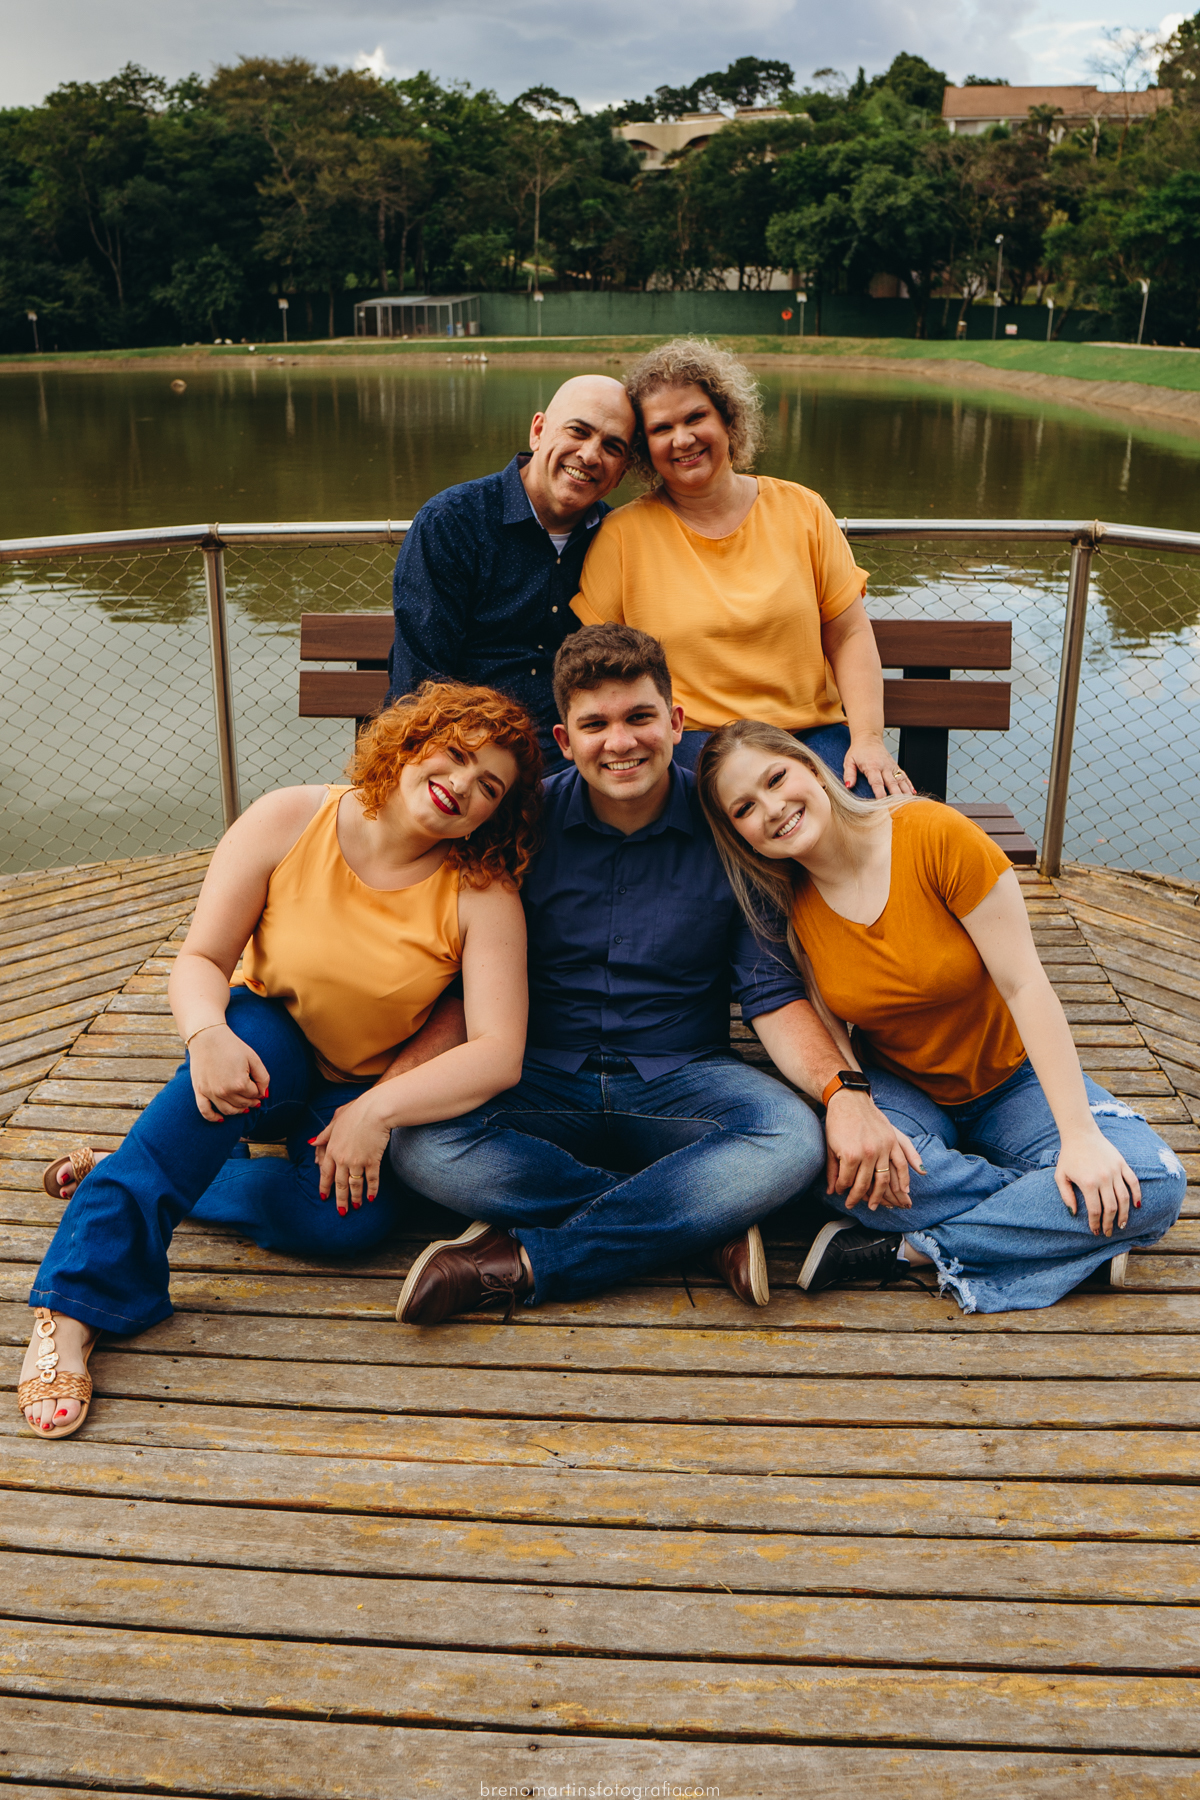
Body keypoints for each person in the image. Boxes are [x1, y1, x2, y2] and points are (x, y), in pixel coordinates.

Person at [19, 681, 541, 1438]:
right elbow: (202, 957)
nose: (463, 785)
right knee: (218, 1089)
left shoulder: (482, 894)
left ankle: (122, 1165)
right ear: (410, 741)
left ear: (497, 811)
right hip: (265, 1041)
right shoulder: (291, 817)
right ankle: (69, 1308)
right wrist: (207, 1034)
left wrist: (375, 1111)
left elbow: (498, 1052)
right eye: (455, 754)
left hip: (363, 1082)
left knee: (341, 1226)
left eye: (489, 786)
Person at [389, 624, 918, 1325]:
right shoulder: (521, 822)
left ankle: (527, 1260)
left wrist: (843, 1091)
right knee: (419, 1144)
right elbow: (462, 982)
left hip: (682, 1080)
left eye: (639, 717)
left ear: (674, 722)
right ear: (565, 739)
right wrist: (387, 1093)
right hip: (536, 1076)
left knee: (791, 1140)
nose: (620, 742)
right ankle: (700, 1219)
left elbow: (769, 991)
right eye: (595, 725)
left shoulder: (729, 824)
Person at [697, 718, 1186, 1312]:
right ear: (739, 835)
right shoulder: (784, 902)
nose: (773, 808)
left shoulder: (932, 834)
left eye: (776, 779)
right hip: (902, 1087)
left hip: (1011, 1079)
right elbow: (830, 1025)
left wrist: (1081, 1139)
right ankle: (1067, 1230)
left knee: (1155, 1180)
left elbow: (1026, 985)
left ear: (813, 770)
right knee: (843, 1170)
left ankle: (911, 1249)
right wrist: (857, 1107)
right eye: (745, 808)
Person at [570, 338, 914, 800]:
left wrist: (868, 740)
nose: (682, 439)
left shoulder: (803, 510)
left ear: (728, 420)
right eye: (661, 428)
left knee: (873, 821)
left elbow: (849, 634)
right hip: (693, 744)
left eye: (696, 417)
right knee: (738, 825)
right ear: (644, 447)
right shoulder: (621, 536)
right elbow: (596, 665)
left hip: (811, 736)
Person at [388, 374, 636, 768]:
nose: (590, 455)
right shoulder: (452, 522)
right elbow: (422, 684)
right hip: (463, 754)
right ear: (538, 431)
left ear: (621, 472)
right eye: (578, 431)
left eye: (612, 447)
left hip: (579, 765)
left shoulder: (618, 539)